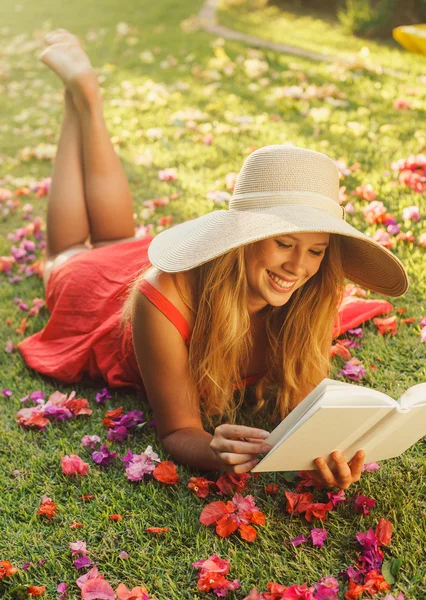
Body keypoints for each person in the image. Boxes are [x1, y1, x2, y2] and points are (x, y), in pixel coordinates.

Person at [18, 30, 409, 490]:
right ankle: (79, 101)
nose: (299, 266)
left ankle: (84, 98)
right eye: (284, 242)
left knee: (116, 238)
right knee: (68, 256)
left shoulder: (311, 293)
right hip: (108, 295)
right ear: (245, 237)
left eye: (317, 251)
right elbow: (178, 431)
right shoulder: (162, 298)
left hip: (155, 269)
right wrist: (212, 449)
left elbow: (307, 407)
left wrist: (326, 453)